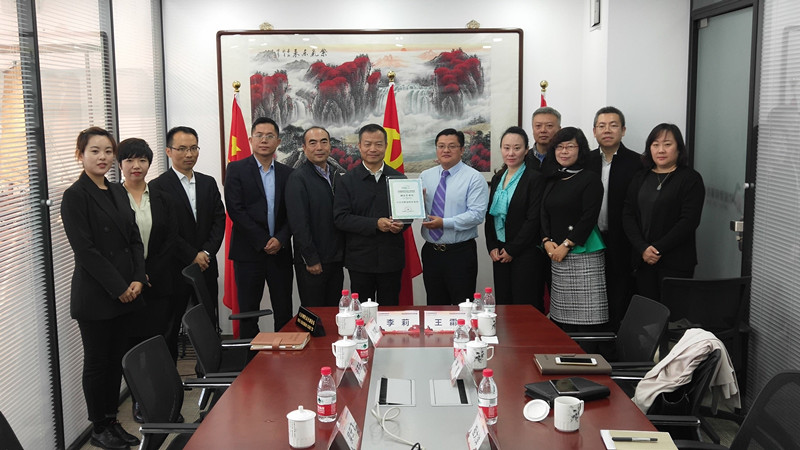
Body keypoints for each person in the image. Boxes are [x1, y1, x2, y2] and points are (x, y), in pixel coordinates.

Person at [61, 127, 144, 449]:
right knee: (98, 363)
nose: (103, 157)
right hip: (97, 296)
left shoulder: (117, 191)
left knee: (116, 361)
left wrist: (137, 278)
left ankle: (111, 421)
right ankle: (99, 427)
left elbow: (134, 239)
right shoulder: (75, 195)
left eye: (108, 151)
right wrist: (119, 287)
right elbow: (86, 251)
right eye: (95, 151)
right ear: (80, 155)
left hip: (127, 291)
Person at [149, 126, 225, 360]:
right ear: (169, 151)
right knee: (170, 328)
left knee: (208, 324)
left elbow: (219, 220)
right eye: (182, 149)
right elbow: (165, 230)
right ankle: (170, 375)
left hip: (205, 267)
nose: (189, 154)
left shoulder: (208, 182)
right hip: (174, 269)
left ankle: (208, 373)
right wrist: (192, 255)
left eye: (193, 148)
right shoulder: (157, 186)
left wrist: (206, 252)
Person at [117, 137, 178, 423]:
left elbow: (170, 239)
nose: (136, 166)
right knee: (133, 347)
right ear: (120, 164)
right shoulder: (113, 198)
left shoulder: (163, 198)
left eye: (142, 160)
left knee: (161, 344)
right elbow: (114, 245)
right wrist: (136, 275)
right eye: (129, 160)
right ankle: (141, 401)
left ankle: (167, 402)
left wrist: (150, 272)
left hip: (159, 282)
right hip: (129, 286)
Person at [225, 117, 294, 336]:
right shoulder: (236, 169)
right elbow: (235, 210)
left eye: (270, 136)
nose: (264, 140)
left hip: (280, 253)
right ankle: (250, 356)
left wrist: (280, 239)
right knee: (248, 312)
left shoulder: (288, 173)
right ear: (250, 140)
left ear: (278, 142)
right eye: (259, 136)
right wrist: (264, 240)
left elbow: (293, 213)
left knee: (283, 311)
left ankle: (284, 354)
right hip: (248, 253)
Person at [622, 123, 705, 301]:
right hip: (643, 260)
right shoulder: (640, 177)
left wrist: (657, 249)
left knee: (674, 312)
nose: (661, 150)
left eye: (667, 144)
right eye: (655, 144)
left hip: (676, 262)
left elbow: (689, 221)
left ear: (679, 148)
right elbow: (628, 214)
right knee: (648, 313)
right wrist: (643, 248)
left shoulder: (690, 179)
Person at [540, 127, 608, 332]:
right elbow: (543, 213)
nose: (564, 151)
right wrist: (546, 241)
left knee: (587, 317)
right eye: (559, 147)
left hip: (583, 253)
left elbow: (589, 217)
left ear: (581, 150)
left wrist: (567, 245)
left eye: (570, 146)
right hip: (556, 254)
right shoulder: (553, 178)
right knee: (562, 317)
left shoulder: (590, 179)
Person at [334, 124, 408, 305]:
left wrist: (402, 224)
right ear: (359, 146)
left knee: (390, 311)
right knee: (363, 312)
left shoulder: (399, 179)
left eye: (378, 144)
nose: (373, 149)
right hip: (360, 260)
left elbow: (407, 214)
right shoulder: (346, 180)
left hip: (391, 259)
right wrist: (375, 224)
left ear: (386, 146)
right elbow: (341, 218)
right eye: (367, 144)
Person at [420, 128, 489, 305]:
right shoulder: (425, 176)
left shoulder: (474, 178)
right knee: (434, 307)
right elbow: (417, 209)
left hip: (460, 253)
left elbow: (476, 215)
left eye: (452, 146)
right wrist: (415, 205)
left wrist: (444, 223)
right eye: (441, 146)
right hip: (431, 252)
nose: (446, 150)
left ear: (462, 150)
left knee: (462, 306)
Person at [587, 106, 642, 328]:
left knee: (621, 294)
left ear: (623, 130)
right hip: (590, 241)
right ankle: (596, 341)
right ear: (594, 131)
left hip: (624, 241)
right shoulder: (585, 161)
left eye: (613, 125)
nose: (607, 130)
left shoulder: (638, 163)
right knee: (593, 296)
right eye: (601, 126)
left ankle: (618, 342)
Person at [485, 127, 546, 309]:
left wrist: (512, 249)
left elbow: (533, 219)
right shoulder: (497, 178)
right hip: (500, 252)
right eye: (506, 148)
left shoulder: (535, 178)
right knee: (504, 306)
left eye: (517, 148)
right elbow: (490, 215)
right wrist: (492, 246)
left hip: (525, 253)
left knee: (525, 306)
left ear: (526, 150)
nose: (511, 153)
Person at [286, 126, 345, 307]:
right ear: (304, 148)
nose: (319, 147)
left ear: (330, 146)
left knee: (334, 312)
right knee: (314, 314)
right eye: (313, 143)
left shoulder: (337, 175)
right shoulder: (298, 178)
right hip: (312, 261)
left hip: (335, 258)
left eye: (323, 142)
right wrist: (311, 259)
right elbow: (298, 223)